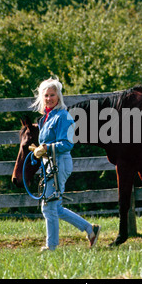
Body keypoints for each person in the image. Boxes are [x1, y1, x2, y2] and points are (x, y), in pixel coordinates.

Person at [30, 78, 100, 251]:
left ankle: (51, 246)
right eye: (46, 95)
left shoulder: (63, 116)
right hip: (50, 165)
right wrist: (40, 149)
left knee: (48, 207)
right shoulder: (46, 117)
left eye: (52, 95)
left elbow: (67, 144)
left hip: (59, 164)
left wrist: (47, 147)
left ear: (59, 96)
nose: (49, 98)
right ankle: (90, 229)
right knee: (55, 207)